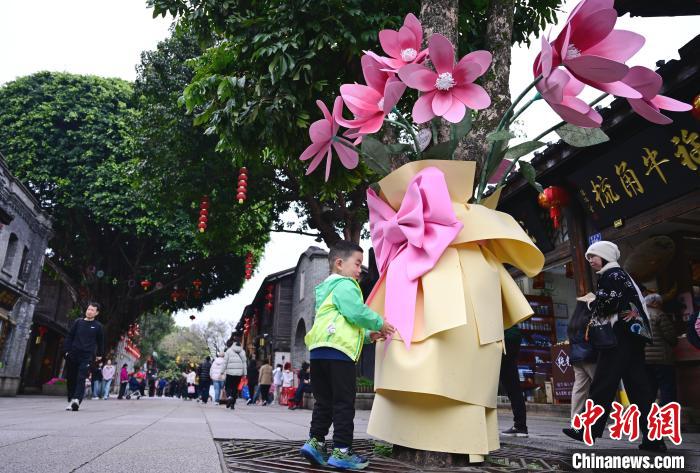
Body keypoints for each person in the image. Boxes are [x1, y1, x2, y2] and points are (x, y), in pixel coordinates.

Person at [299, 240, 394, 469]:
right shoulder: (347, 284)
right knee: (343, 403)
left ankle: (316, 442)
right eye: (358, 263)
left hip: (319, 352)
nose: (360, 269)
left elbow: (344, 321)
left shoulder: (326, 291)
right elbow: (356, 312)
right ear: (340, 264)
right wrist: (379, 323)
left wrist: (367, 335)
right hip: (339, 353)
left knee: (324, 401)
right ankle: (342, 450)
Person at [563, 241, 666, 452]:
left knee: (603, 383)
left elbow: (607, 304)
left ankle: (587, 429)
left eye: (594, 256)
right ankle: (654, 439)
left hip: (618, 337)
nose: (590, 260)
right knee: (640, 389)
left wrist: (593, 303)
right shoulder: (623, 276)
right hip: (633, 337)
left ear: (606, 256)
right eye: (588, 257)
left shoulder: (611, 276)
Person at [63, 302, 105, 411]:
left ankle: (76, 400)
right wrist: (67, 351)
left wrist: (100, 354)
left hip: (87, 355)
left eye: (92, 310)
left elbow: (100, 342)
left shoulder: (98, 326)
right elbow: (69, 336)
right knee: (71, 378)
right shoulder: (78, 322)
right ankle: (71, 399)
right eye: (88, 309)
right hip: (73, 354)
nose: (89, 311)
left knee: (81, 377)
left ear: (96, 313)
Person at [644, 293, 677, 405]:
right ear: (654, 303)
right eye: (659, 303)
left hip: (645, 359)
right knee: (667, 388)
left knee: (650, 388)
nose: (660, 306)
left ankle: (650, 415)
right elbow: (670, 336)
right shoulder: (659, 314)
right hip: (662, 358)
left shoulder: (638, 315)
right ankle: (667, 415)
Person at [568, 298, 597, 418]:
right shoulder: (589, 318)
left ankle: (575, 418)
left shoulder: (573, 321)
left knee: (579, 389)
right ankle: (602, 416)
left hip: (576, 358)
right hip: (590, 357)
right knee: (601, 385)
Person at [499, 326, 528, 437]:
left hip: (503, 337)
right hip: (511, 335)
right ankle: (520, 425)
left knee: (510, 384)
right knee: (513, 385)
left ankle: (520, 426)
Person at [223, 336, 247, 409]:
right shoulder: (243, 351)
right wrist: (245, 374)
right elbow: (244, 363)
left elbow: (225, 362)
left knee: (228, 386)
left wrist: (222, 371)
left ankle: (229, 397)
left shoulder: (229, 351)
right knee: (235, 388)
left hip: (230, 373)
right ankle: (232, 404)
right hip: (239, 373)